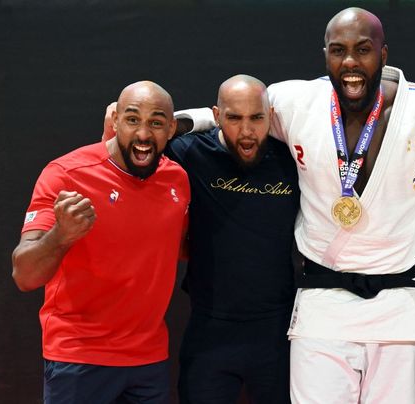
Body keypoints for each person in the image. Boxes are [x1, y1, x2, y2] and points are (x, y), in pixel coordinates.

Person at [180, 7, 415, 403]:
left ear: (384, 53)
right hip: (323, 300)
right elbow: (234, 110)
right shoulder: (295, 101)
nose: (351, 63)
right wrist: (167, 123)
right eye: (338, 51)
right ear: (325, 54)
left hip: (400, 304)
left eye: (363, 50)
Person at [103, 75, 300, 404]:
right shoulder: (191, 153)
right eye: (234, 118)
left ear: (271, 115)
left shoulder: (293, 160)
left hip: (277, 330)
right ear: (217, 116)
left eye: (257, 117)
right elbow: (148, 135)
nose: (247, 131)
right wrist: (193, 122)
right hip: (210, 328)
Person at [12, 81, 190, 404]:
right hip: (79, 357)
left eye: (156, 122)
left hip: (148, 360)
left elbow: (179, 248)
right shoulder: (66, 174)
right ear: (115, 119)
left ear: (171, 128)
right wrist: (60, 235)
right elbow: (24, 275)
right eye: (133, 119)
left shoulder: (177, 179)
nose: (143, 135)